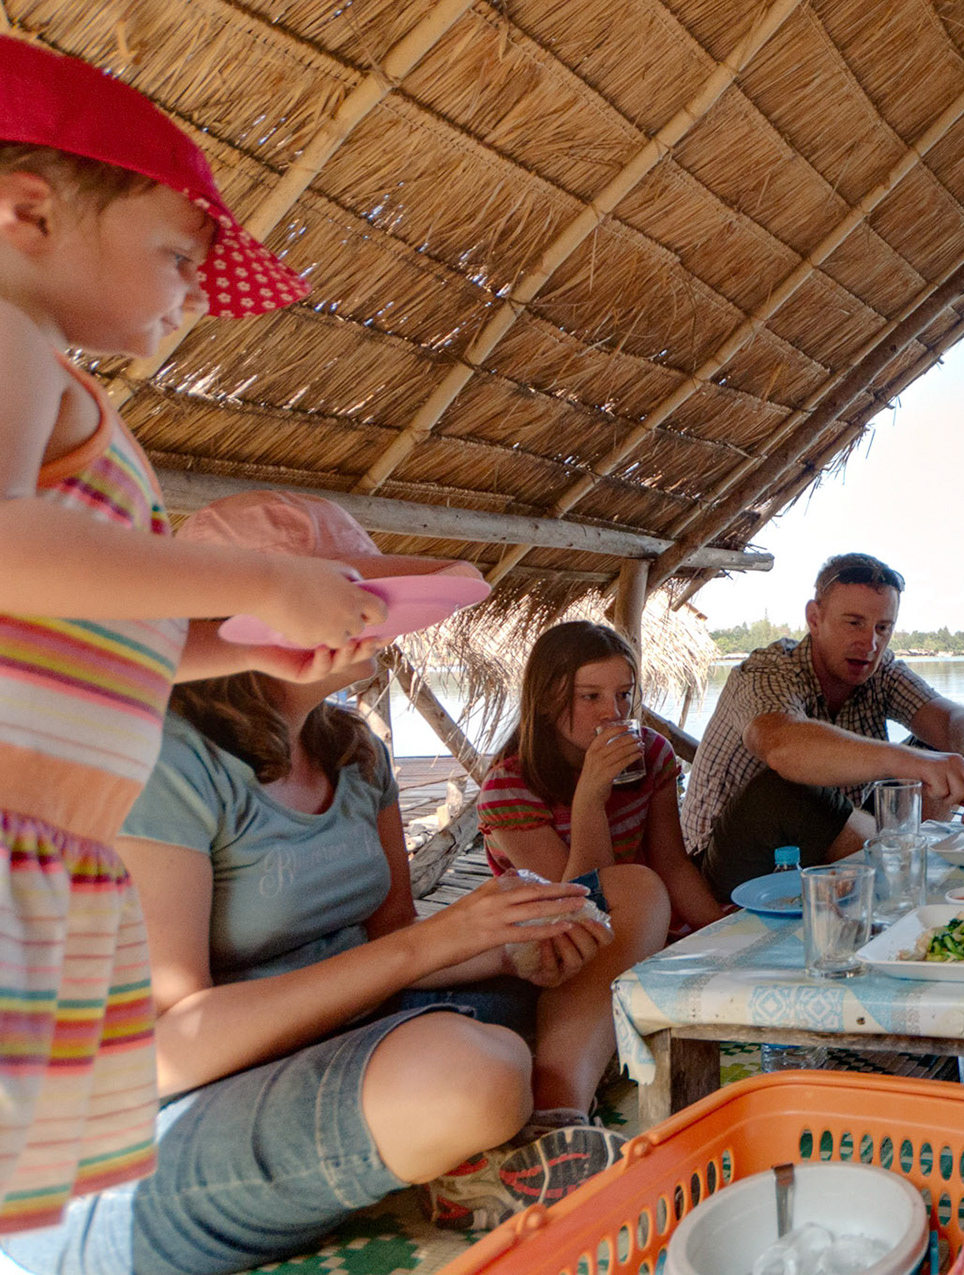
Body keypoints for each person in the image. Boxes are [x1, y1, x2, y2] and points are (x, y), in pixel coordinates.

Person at [0, 492, 645, 1275]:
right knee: (468, 1075)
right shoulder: (166, 761)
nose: (371, 615)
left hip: (360, 1029)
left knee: (626, 898)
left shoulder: (355, 753)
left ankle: (552, 1115)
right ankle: (480, 1128)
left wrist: (508, 948)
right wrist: (440, 945)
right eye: (347, 595)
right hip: (176, 1110)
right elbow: (166, 1046)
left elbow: (393, 945)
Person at [0, 41, 386, 1231]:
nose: (188, 293)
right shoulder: (8, 343)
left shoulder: (54, 378)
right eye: (177, 255)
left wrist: (246, 649)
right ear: (27, 212)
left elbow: (81, 628)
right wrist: (262, 574)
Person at [682, 553, 964, 895]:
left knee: (941, 747)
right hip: (725, 864)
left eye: (883, 627)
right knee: (789, 788)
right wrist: (909, 762)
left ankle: (905, 869)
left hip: (831, 837)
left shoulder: (881, 670)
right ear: (815, 618)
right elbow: (782, 746)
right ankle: (904, 872)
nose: (870, 643)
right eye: (854, 623)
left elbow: (947, 716)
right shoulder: (768, 671)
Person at [478, 620, 727, 1104]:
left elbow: (672, 865)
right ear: (548, 700)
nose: (612, 713)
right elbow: (576, 903)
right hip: (558, 943)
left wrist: (719, 930)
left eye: (624, 696)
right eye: (590, 696)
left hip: (638, 920)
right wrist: (590, 798)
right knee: (621, 892)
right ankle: (566, 1088)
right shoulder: (508, 788)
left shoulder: (651, 754)